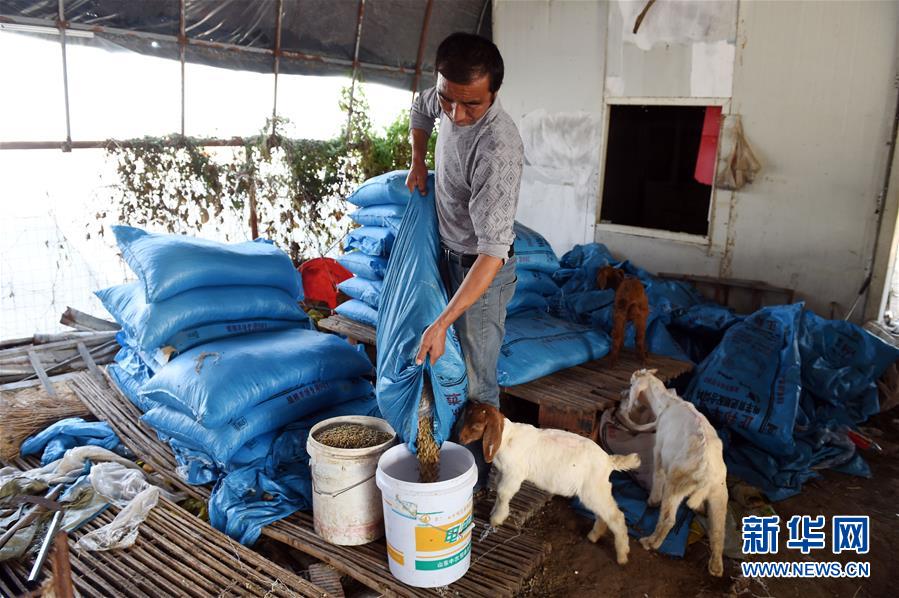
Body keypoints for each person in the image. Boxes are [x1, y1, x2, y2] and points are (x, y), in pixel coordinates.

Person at [407, 32, 523, 472]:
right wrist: (419, 159)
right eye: (448, 101)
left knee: (477, 377)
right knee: (441, 360)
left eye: (470, 105)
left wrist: (442, 322)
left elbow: (492, 254)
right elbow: (421, 107)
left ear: (493, 93)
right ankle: (439, 447)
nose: (455, 115)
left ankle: (475, 476)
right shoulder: (447, 94)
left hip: (482, 268)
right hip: (447, 251)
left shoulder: (498, 149)